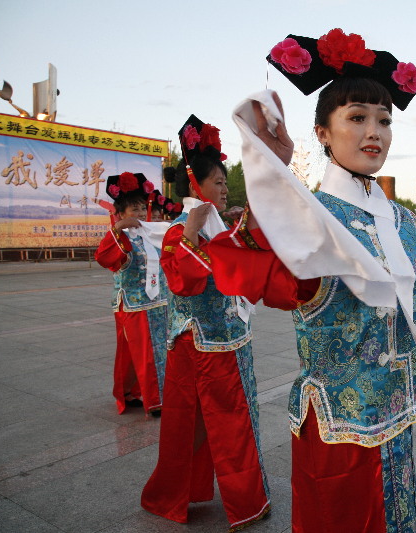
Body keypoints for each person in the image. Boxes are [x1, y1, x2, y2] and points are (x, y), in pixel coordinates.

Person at [206, 28, 416, 532]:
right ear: (323, 133)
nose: (374, 132)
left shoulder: (402, 222)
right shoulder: (308, 216)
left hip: (397, 412)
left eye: (383, 120)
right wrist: (274, 178)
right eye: (356, 118)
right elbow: (261, 271)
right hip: (338, 426)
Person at [141, 116, 271, 530]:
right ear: (197, 185)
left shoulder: (218, 226)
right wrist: (192, 237)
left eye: (225, 183)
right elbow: (183, 283)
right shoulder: (178, 231)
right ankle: (238, 501)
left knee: (236, 418)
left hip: (232, 340)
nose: (224, 189)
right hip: (200, 346)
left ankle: (239, 496)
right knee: (212, 424)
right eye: (217, 183)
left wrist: (236, 224)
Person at [94, 173, 168, 417]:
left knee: (157, 351)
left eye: (140, 207)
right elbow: (104, 258)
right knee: (144, 353)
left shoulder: (151, 233)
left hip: (158, 302)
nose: (138, 212)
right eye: (133, 208)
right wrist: (117, 229)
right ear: (121, 213)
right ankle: (154, 399)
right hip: (134, 304)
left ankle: (133, 392)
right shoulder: (121, 237)